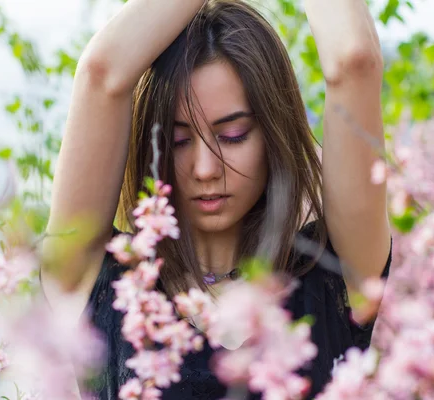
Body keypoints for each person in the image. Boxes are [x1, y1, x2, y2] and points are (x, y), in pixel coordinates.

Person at [41, 0, 392, 398]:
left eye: (233, 135)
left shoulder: (333, 273)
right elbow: (101, 73)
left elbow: (354, 60)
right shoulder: (105, 283)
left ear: (273, 134)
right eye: (179, 141)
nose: (205, 168)